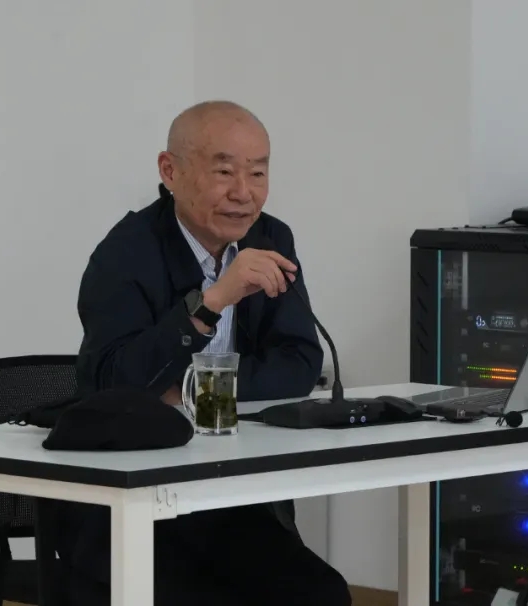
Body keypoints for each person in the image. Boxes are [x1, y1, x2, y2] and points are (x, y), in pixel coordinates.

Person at [58, 101, 351, 605]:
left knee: (321, 595)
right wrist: (211, 302)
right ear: (170, 171)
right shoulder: (126, 252)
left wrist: (194, 391)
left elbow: (299, 362)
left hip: (234, 494)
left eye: (257, 172)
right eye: (224, 171)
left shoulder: (271, 238)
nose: (243, 192)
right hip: (135, 504)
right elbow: (115, 382)